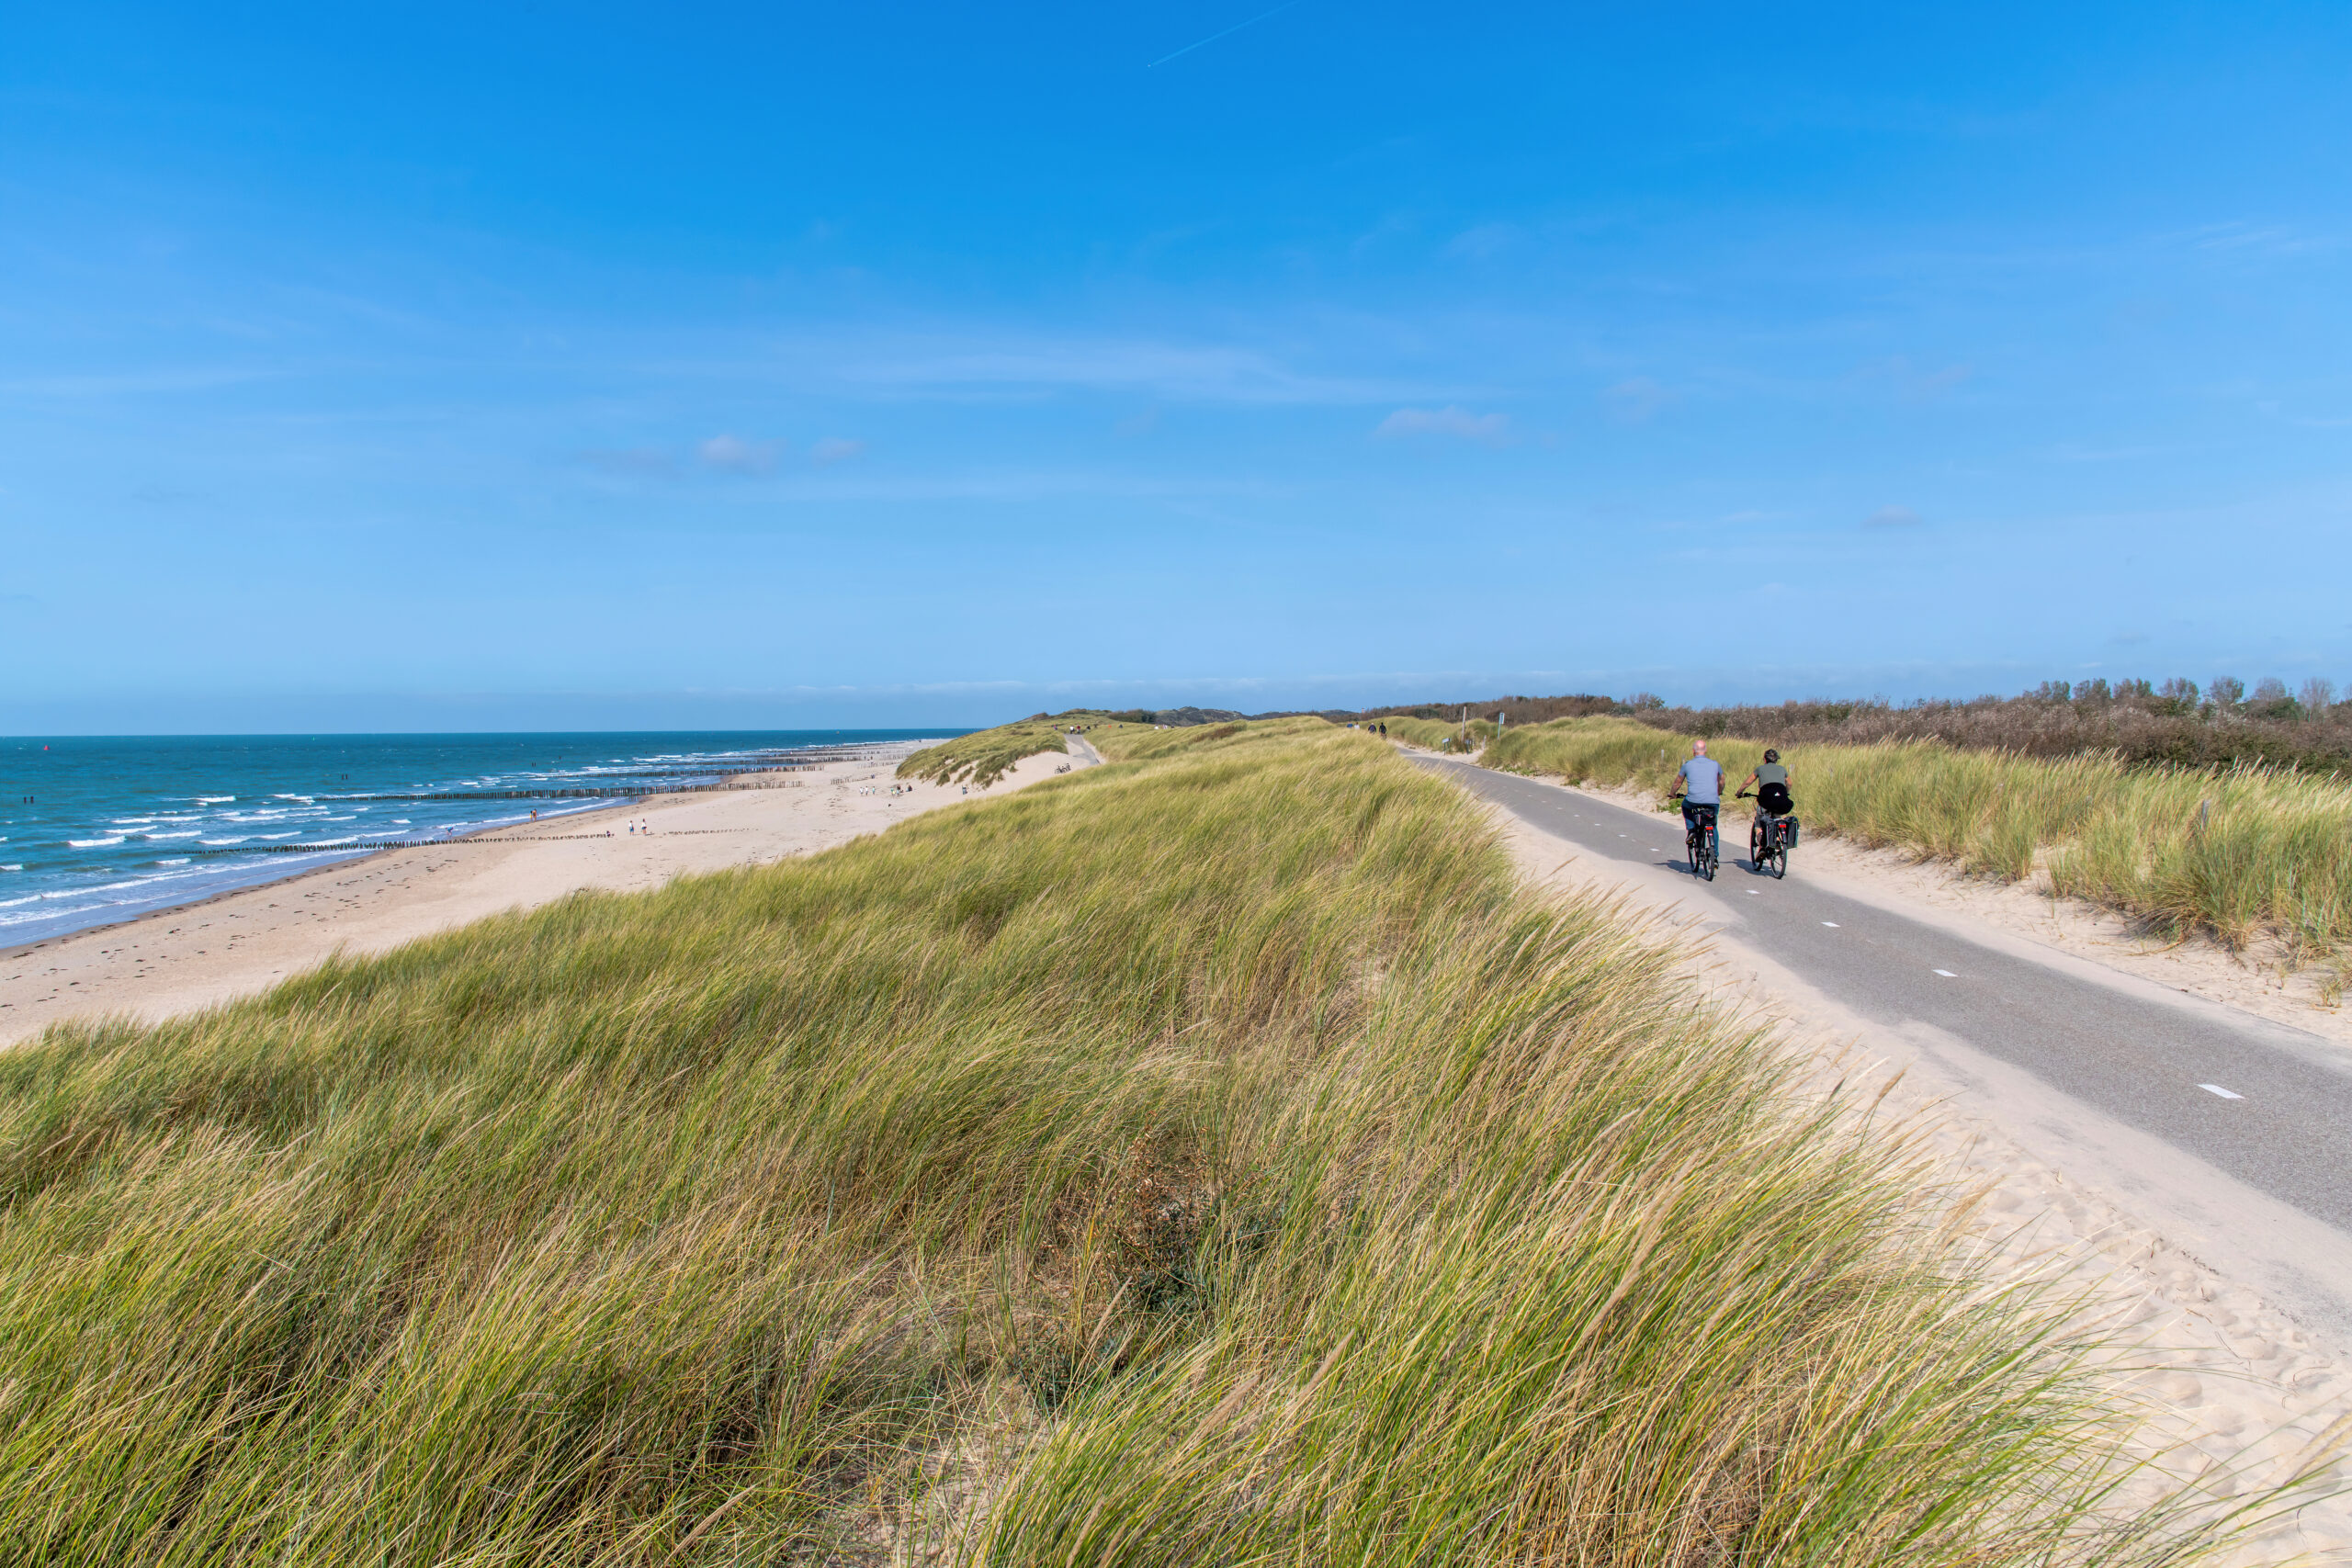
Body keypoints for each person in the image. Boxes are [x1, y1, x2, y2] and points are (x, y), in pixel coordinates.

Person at [1668, 739, 1724, 856]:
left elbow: (1678, 782)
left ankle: (1692, 829)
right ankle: (1715, 854)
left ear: (1694, 751)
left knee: (1685, 806)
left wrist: (1672, 793)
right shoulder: (1715, 764)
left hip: (1693, 800)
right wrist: (1718, 792)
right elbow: (1722, 781)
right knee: (1713, 825)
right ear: (1706, 750)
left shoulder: (1687, 765)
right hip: (1713, 801)